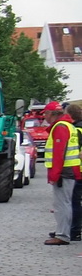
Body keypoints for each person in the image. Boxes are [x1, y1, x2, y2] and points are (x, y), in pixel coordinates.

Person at [46, 101, 81, 245]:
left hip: (64, 172)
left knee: (62, 204)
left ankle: (62, 235)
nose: (45, 117)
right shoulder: (68, 126)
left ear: (52, 114)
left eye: (46, 114)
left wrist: (54, 174)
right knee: (66, 202)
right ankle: (65, 232)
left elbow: (59, 153)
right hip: (70, 170)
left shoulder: (60, 127)